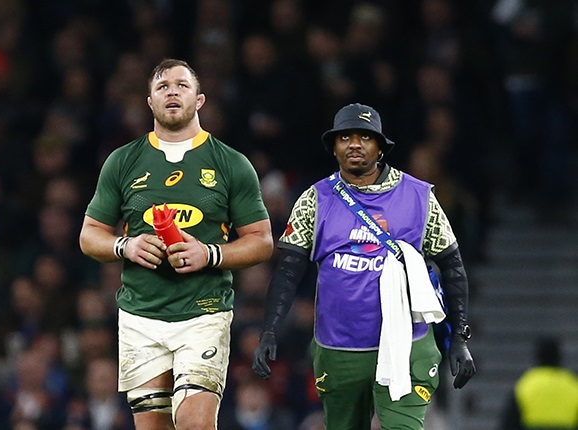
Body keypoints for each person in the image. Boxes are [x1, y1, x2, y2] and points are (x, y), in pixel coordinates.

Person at [252, 103, 476, 429]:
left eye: (366, 137)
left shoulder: (420, 197)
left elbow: (453, 266)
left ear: (381, 147)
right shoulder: (314, 199)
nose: (355, 144)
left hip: (408, 344)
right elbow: (288, 270)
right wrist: (269, 329)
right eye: (345, 137)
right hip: (339, 349)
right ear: (333, 147)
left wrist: (460, 338)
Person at [79, 58, 274, 430]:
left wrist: (210, 253)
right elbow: (89, 235)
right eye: (162, 86)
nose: (172, 91)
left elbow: (262, 241)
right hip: (141, 316)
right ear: (149, 102)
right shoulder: (122, 161)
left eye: (181, 85)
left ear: (199, 100)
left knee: (193, 423)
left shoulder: (231, 163)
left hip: (203, 311)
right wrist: (126, 246)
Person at [500, 336, 578, 430]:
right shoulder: (572, 384)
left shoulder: (526, 385)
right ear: (559, 357)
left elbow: (509, 424)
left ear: (537, 358)